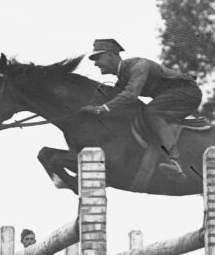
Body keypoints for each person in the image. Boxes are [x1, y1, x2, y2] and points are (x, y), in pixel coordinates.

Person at [80, 38, 203, 179]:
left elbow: (130, 95)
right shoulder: (122, 79)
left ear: (111, 55)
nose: (95, 63)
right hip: (174, 96)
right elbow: (119, 101)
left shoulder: (138, 66)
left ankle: (175, 162)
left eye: (97, 58)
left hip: (188, 93)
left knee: (151, 113)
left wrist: (101, 109)